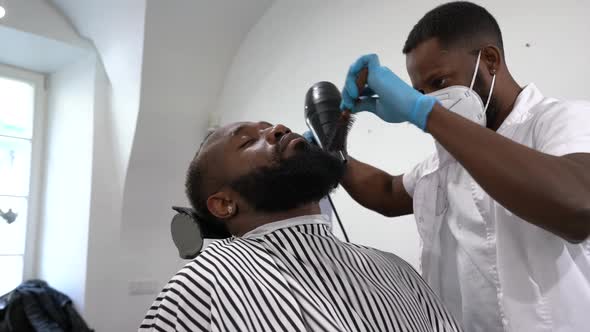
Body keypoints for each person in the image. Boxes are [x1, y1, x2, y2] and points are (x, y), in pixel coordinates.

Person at [337, 2, 590, 331]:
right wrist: (333, 155)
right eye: (418, 92)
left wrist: (425, 113)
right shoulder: (447, 160)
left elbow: (579, 206)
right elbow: (386, 193)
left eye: (439, 82)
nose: (430, 98)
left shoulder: (561, 120)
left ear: (490, 60)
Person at [139, 121, 462, 332]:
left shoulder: (394, 269)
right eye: (248, 142)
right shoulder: (202, 284)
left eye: (272, 126)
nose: (278, 129)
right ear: (224, 204)